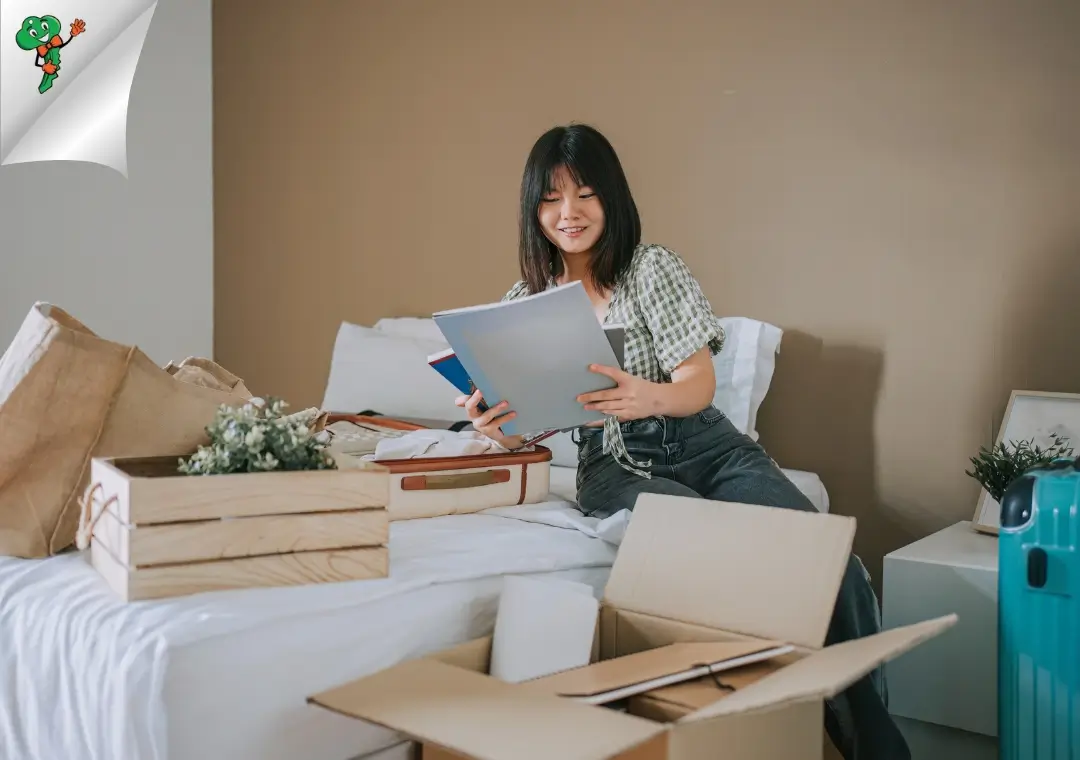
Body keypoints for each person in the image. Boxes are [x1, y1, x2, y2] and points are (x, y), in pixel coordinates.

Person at [454, 122, 909, 760]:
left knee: (831, 560)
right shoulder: (523, 302)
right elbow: (527, 425)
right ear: (535, 210)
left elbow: (697, 382)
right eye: (552, 199)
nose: (569, 213)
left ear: (611, 199)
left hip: (704, 444)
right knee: (717, 544)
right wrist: (494, 427)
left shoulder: (649, 268)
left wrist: (648, 395)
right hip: (612, 466)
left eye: (585, 194)